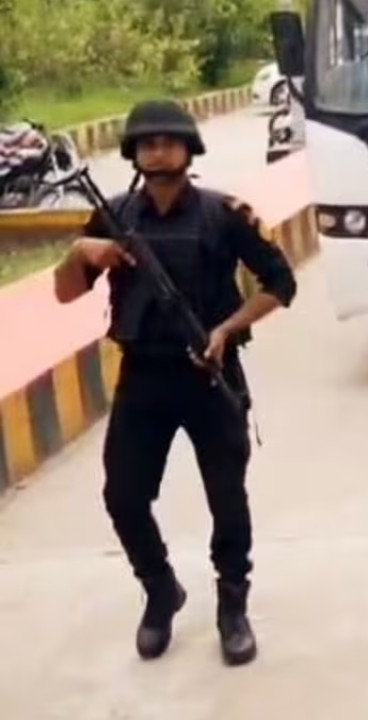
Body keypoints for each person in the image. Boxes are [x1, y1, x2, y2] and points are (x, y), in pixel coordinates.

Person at [51, 99, 297, 666]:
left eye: (168, 141)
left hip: (210, 376)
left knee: (227, 500)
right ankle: (160, 589)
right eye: (147, 142)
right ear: (133, 153)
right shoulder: (114, 218)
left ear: (189, 149)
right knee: (123, 495)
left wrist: (226, 329)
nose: (158, 150)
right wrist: (81, 252)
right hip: (143, 377)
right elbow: (65, 293)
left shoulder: (223, 214)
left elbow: (281, 283)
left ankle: (232, 606)